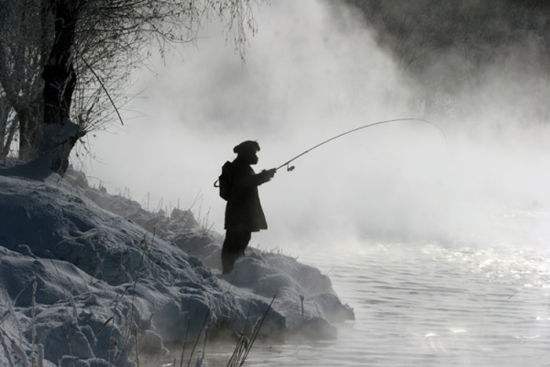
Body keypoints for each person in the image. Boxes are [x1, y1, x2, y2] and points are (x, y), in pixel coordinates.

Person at [221, 140, 276, 274]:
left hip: (239, 214)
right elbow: (246, 183)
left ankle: (231, 271)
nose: (256, 156)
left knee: (237, 242)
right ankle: (230, 272)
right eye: (254, 153)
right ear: (247, 153)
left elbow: (248, 182)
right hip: (240, 215)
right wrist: (264, 176)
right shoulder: (240, 167)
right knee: (236, 243)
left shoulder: (241, 166)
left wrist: (263, 175)